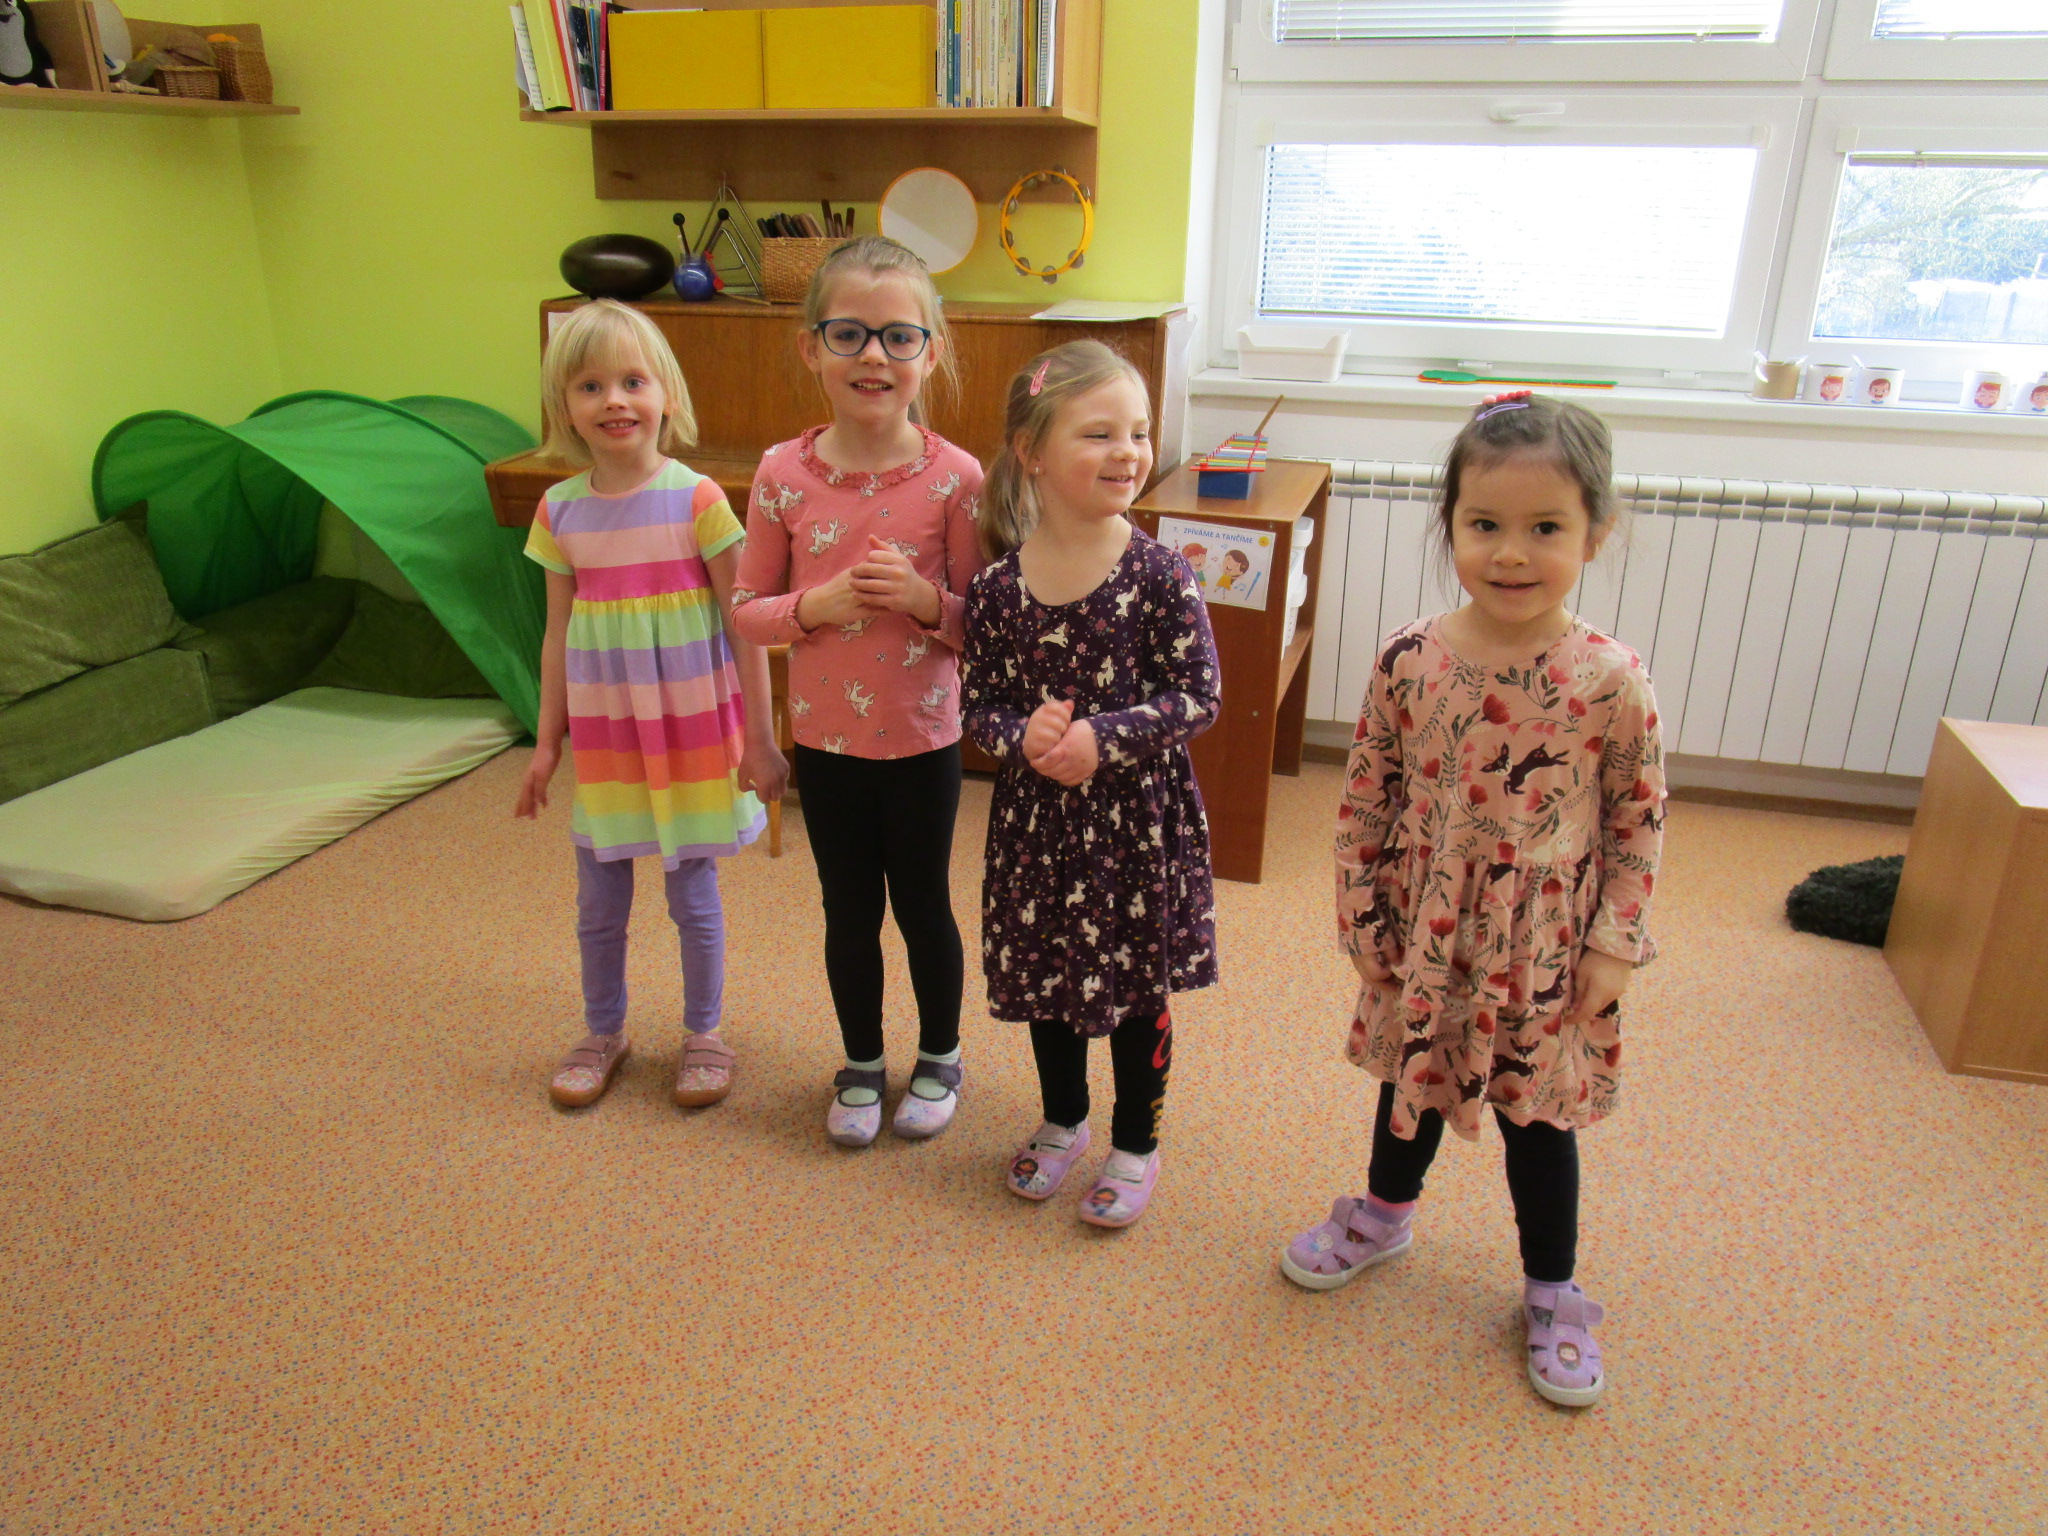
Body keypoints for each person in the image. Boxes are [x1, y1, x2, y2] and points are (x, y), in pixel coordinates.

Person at [1279, 391, 1664, 1407]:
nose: (1511, 553)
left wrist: (1615, 945)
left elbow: (1637, 820)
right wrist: (1361, 914)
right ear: (1448, 523)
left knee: (1536, 1119)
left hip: (1542, 945)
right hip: (1426, 924)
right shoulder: (1410, 657)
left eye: (1546, 528)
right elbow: (1366, 794)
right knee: (1408, 1079)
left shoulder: (1610, 679)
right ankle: (1383, 1215)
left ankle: (1550, 1286)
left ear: (1595, 533)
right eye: (1484, 524)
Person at [729, 236, 985, 1147]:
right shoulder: (781, 474)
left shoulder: (957, 478)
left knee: (923, 906)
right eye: (849, 334)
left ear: (931, 352)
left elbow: (982, 628)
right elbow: (746, 612)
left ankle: (942, 1054)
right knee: (848, 911)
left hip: (922, 742)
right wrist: (817, 606)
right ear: (812, 348)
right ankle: (862, 1062)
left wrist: (921, 601)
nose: (874, 355)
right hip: (826, 744)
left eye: (898, 337)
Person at [962, 340, 1221, 1229]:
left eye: (1139, 432)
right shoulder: (997, 589)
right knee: (1049, 977)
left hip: (1135, 826)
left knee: (1137, 985)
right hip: (1039, 832)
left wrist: (1102, 739)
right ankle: (1063, 1120)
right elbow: (979, 705)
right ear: (1030, 450)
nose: (1128, 452)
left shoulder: (1161, 573)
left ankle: (1136, 1142)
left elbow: (1198, 696)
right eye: (1099, 433)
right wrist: (1021, 735)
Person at [517, 299, 787, 1110]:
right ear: (564, 406)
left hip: (689, 735)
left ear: (666, 393)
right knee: (598, 902)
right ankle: (603, 1030)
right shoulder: (559, 510)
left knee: (691, 896)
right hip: (608, 740)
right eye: (590, 386)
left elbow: (746, 626)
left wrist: (761, 740)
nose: (614, 401)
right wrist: (545, 743)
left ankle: (705, 1033)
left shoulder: (695, 498)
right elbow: (557, 635)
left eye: (633, 381)